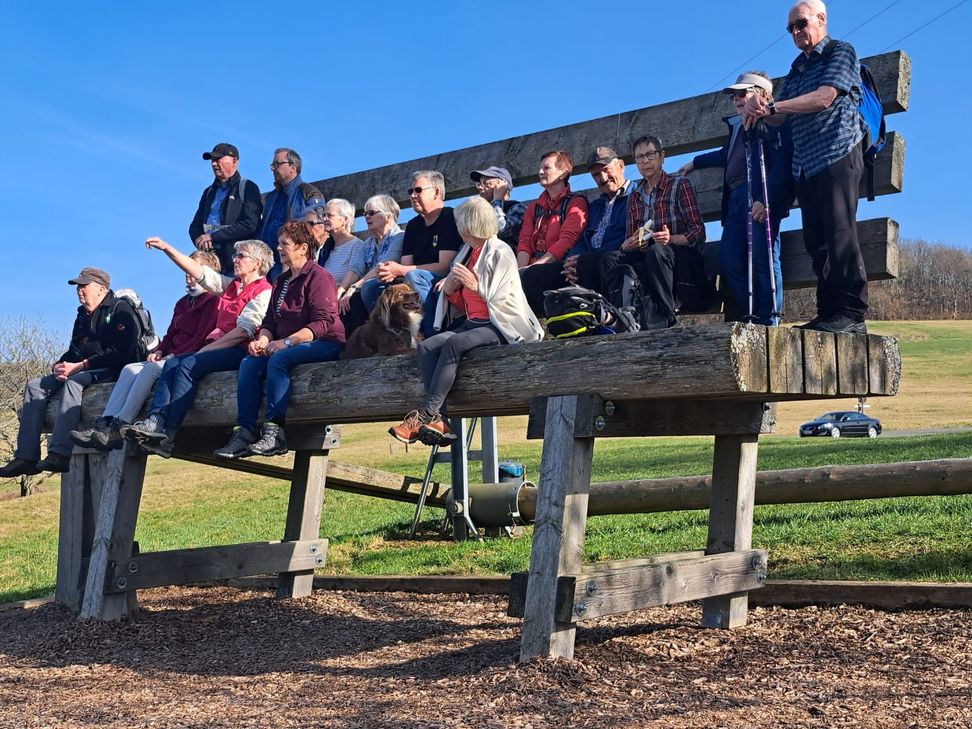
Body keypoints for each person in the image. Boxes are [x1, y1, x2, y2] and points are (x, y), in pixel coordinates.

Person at [742, 0, 869, 334]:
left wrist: (774, 107)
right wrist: (761, 108)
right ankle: (829, 312)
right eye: (791, 28)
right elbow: (780, 116)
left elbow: (824, 97)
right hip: (805, 165)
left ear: (821, 19)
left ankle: (852, 313)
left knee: (840, 233)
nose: (796, 32)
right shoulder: (798, 67)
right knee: (817, 241)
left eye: (801, 23)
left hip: (836, 152)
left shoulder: (841, 51)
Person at [389, 197, 542, 446]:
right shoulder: (466, 253)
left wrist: (474, 285)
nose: (458, 227)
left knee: (455, 343)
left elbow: (502, 298)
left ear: (471, 224)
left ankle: (425, 414)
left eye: (461, 222)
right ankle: (439, 420)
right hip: (473, 323)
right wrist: (450, 290)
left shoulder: (500, 251)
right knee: (427, 347)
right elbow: (463, 304)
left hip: (500, 325)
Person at [120, 239, 274, 457]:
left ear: (257, 263)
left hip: (239, 350)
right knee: (172, 363)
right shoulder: (232, 286)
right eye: (235, 255)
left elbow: (243, 332)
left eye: (241, 256)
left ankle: (169, 433)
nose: (235, 259)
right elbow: (198, 271)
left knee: (188, 364)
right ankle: (155, 420)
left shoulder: (263, 291)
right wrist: (166, 248)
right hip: (221, 347)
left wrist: (207, 350)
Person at [214, 222, 345, 459]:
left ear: (303, 248)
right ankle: (244, 432)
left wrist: (286, 343)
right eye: (279, 243)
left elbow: (323, 323)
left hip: (324, 342)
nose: (279, 248)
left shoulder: (319, 276)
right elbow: (270, 322)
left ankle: (275, 432)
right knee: (249, 363)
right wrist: (263, 341)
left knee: (279, 360)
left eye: (285, 244)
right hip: (288, 344)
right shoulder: (282, 281)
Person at [69, 251, 222, 451]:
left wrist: (171, 355)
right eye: (185, 269)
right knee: (130, 369)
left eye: (191, 269)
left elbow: (201, 338)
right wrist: (160, 351)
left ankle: (120, 423)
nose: (187, 274)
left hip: (187, 356)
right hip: (169, 355)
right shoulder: (182, 303)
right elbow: (170, 334)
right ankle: (106, 421)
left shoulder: (213, 300)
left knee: (150, 369)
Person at [678, 72, 795, 325]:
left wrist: (766, 199)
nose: (737, 99)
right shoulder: (737, 128)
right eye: (734, 96)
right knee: (729, 260)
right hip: (735, 198)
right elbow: (725, 155)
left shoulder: (772, 123)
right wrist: (695, 162)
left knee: (763, 257)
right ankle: (751, 314)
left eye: (743, 93)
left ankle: (769, 319)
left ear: (763, 94)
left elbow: (782, 163)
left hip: (759, 195)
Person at [0, 268, 140, 476]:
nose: (79, 290)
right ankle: (25, 457)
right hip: (83, 366)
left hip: (114, 369)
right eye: (78, 286)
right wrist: (59, 365)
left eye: (84, 285)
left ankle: (59, 454)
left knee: (73, 382)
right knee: (34, 387)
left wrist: (82, 365)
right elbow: (75, 350)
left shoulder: (121, 309)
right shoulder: (82, 315)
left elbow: (122, 352)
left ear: (101, 288)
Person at [600, 135, 705, 329]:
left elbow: (698, 232)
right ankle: (620, 320)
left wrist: (670, 238)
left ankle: (668, 318)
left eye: (650, 155)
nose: (645, 161)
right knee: (610, 258)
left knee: (657, 251)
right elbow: (630, 236)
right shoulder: (634, 195)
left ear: (662, 157)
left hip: (677, 254)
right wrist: (628, 244)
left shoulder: (679, 185)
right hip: (645, 253)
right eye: (640, 157)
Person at [376, 170, 462, 337]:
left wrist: (401, 270)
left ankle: (431, 335)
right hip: (414, 280)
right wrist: (390, 271)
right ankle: (394, 339)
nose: (413, 195)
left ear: (436, 191)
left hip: (441, 281)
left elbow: (444, 266)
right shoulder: (413, 225)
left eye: (418, 190)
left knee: (414, 276)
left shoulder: (449, 217)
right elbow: (406, 264)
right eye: (411, 191)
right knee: (372, 288)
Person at [516, 150, 589, 316]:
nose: (540, 172)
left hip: (558, 265)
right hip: (531, 267)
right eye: (540, 168)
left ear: (563, 173)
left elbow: (567, 240)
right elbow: (525, 241)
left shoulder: (576, 202)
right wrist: (520, 270)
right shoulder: (533, 208)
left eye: (546, 168)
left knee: (533, 277)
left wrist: (535, 267)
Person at [562, 147, 634, 292]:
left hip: (618, 257)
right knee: (538, 274)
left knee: (590, 261)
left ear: (621, 166)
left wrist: (584, 257)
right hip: (589, 261)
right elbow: (583, 239)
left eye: (606, 170)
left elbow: (628, 234)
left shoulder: (636, 196)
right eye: (596, 174)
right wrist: (571, 260)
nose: (603, 177)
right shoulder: (595, 206)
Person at [188, 143, 263, 273]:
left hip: (236, 263)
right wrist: (200, 241)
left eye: (218, 159)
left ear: (234, 161)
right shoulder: (208, 192)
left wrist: (213, 237)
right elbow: (194, 226)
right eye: (212, 160)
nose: (214, 163)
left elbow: (250, 224)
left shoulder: (248, 187)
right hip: (210, 262)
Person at [257, 147, 326, 281]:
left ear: (293, 168)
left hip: (290, 259)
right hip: (265, 259)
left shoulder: (309, 193)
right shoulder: (271, 197)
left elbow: (317, 229)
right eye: (272, 165)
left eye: (277, 164)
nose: (273, 168)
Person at [339, 194, 405, 333]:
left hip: (390, 284)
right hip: (368, 285)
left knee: (362, 292)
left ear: (388, 217)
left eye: (372, 213)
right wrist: (340, 292)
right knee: (346, 301)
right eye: (365, 213)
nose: (366, 217)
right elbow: (356, 269)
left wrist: (354, 286)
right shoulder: (367, 244)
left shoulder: (399, 237)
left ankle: (384, 332)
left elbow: (382, 266)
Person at [313, 199, 369, 295]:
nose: (325, 219)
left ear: (345, 219)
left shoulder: (356, 246)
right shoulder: (325, 248)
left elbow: (354, 277)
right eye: (324, 215)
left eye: (330, 215)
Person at [470, 166, 527, 249]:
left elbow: (500, 230)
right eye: (479, 184)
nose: (481, 187)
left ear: (502, 185)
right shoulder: (480, 214)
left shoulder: (517, 208)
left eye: (487, 183)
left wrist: (497, 200)